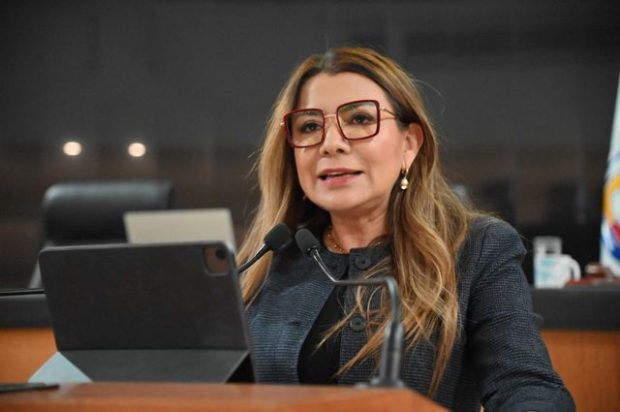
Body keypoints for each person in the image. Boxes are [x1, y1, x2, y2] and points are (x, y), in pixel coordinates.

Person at [237, 47, 574, 411]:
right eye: (310, 126)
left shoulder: (477, 248)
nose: (331, 144)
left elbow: (527, 386)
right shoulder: (270, 257)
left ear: (409, 144)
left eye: (360, 119)